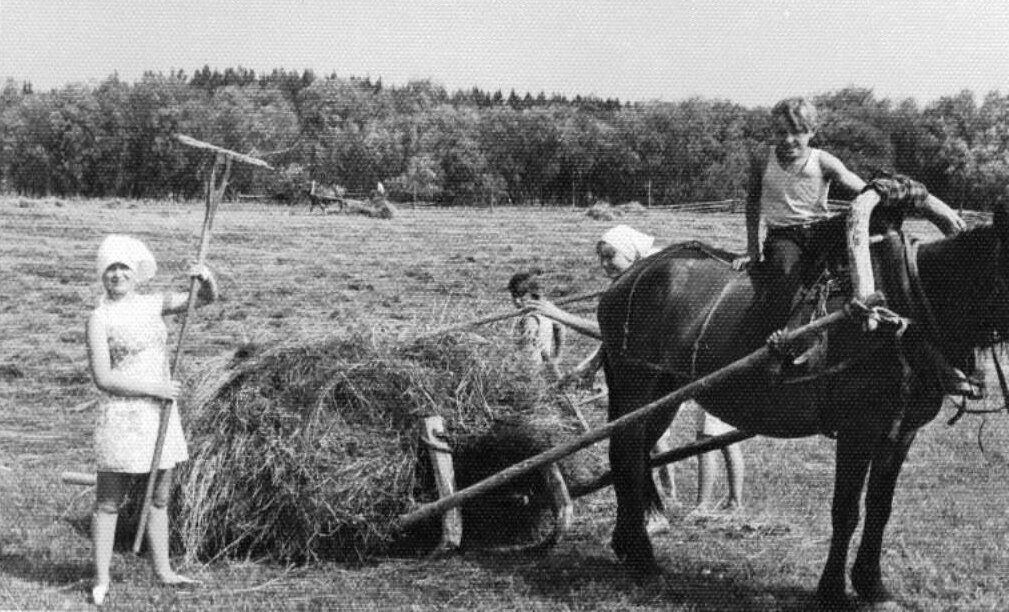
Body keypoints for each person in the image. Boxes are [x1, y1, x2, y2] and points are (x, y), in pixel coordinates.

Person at [730, 97, 978, 396]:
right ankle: (779, 350)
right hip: (785, 236)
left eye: (797, 132)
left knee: (881, 224)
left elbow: (865, 190)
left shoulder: (822, 161)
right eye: (781, 132)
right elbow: (752, 202)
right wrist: (752, 249)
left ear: (812, 132)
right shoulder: (763, 160)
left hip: (821, 230)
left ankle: (896, 311)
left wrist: (915, 201)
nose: (788, 140)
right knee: (785, 280)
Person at [526, 224, 746, 518]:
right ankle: (659, 505)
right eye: (600, 258)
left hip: (682, 367)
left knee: (665, 438)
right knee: (657, 440)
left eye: (610, 256)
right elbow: (621, 338)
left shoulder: (656, 284)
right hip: (673, 365)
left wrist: (558, 315)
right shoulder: (639, 282)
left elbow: (612, 333)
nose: (605, 265)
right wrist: (592, 364)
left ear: (630, 252)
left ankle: (679, 503)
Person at [86, 234, 218, 605]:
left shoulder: (152, 304)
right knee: (108, 502)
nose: (116, 274)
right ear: (102, 275)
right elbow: (104, 378)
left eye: (123, 267)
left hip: (159, 415)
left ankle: (164, 570)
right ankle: (101, 578)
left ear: (135, 272)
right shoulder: (99, 318)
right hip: (124, 416)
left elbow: (203, 300)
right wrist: (154, 388)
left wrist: (205, 276)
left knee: (159, 498)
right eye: (110, 268)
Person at [507, 270, 565, 381]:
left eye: (521, 296)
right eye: (514, 296)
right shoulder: (547, 310)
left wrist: (530, 333)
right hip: (543, 366)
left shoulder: (529, 316)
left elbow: (531, 326)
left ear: (533, 294)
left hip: (528, 369)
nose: (517, 301)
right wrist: (557, 355)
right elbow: (560, 327)